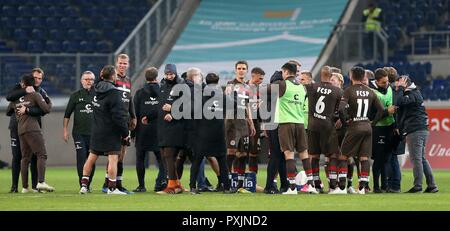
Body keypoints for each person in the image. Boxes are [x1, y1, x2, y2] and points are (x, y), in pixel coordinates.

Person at [79, 65, 130, 195]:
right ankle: (112, 188)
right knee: (113, 159)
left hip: (96, 130)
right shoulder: (115, 93)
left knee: (90, 158)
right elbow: (119, 117)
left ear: (102, 75)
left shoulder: (95, 89)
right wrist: (125, 133)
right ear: (113, 76)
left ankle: (84, 186)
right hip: (110, 132)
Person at [336, 66, 384, 194]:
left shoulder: (348, 90)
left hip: (354, 126)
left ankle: (341, 184)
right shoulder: (370, 91)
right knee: (364, 158)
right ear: (363, 77)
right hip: (367, 127)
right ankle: (363, 185)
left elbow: (341, 109)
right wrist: (373, 122)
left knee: (343, 156)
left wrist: (345, 120)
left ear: (351, 76)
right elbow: (381, 110)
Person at [271, 62, 316, 194]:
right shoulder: (302, 87)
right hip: (300, 123)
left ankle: (291, 188)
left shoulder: (282, 84)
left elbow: (263, 90)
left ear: (285, 72)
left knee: (289, 155)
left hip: (286, 124)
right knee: (304, 154)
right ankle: (311, 184)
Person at [8, 74, 53, 193]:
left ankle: (24, 187)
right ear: (32, 84)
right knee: (42, 154)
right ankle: (41, 182)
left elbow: (8, 112)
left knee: (25, 158)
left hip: (20, 130)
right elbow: (46, 109)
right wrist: (48, 101)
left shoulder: (16, 98)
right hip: (33, 129)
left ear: (23, 84)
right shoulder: (35, 95)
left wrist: (19, 108)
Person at [395, 75, 438, 193]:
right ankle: (432, 185)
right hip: (420, 129)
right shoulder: (415, 93)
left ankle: (418, 186)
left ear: (405, 83)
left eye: (398, 84)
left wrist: (400, 89)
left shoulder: (412, 93)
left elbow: (398, 101)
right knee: (422, 159)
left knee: (416, 159)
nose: (396, 87)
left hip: (415, 130)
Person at [304, 66, 343, 194]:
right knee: (332, 155)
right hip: (328, 126)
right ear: (331, 75)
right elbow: (339, 110)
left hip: (313, 125)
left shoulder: (311, 87)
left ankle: (316, 186)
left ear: (320, 75)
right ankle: (332, 186)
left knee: (314, 156)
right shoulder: (337, 91)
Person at [102, 54, 136, 194]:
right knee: (113, 154)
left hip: (125, 120)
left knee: (122, 154)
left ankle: (118, 184)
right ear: (116, 64)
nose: (122, 65)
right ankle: (108, 184)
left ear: (128, 64)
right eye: (120, 63)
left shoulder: (128, 80)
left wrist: (133, 116)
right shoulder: (112, 80)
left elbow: (130, 99)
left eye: (125, 63)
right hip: (115, 121)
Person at [132, 67, 167, 192]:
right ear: (157, 77)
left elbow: (134, 114)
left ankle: (141, 186)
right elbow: (164, 109)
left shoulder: (140, 93)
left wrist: (132, 133)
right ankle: (162, 182)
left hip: (142, 131)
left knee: (140, 159)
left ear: (146, 78)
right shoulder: (162, 91)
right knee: (162, 159)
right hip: (159, 131)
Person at [224, 60, 256, 193]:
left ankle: (240, 185)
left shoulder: (248, 87)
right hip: (232, 121)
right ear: (235, 70)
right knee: (231, 151)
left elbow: (247, 105)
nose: (241, 70)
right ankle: (227, 182)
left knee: (243, 153)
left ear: (247, 71)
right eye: (239, 68)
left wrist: (251, 122)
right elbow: (226, 98)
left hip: (243, 122)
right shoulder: (231, 84)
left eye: (243, 68)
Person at [63, 71, 96, 191]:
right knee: (81, 158)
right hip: (79, 133)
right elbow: (67, 114)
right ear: (81, 81)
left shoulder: (98, 95)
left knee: (91, 159)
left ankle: (88, 184)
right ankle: (82, 184)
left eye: (91, 79)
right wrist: (65, 130)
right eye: (86, 79)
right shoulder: (75, 95)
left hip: (95, 134)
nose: (89, 81)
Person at [156, 64, 186, 194]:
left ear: (175, 73)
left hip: (176, 127)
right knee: (165, 156)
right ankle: (177, 184)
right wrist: (149, 117)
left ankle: (172, 186)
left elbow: (188, 107)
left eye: (171, 74)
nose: (169, 76)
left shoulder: (182, 87)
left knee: (169, 155)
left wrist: (173, 112)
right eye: (167, 74)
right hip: (163, 128)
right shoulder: (162, 87)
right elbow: (160, 107)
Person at [368, 68, 396, 193]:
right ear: (377, 81)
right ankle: (376, 186)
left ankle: (384, 185)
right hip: (378, 128)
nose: (387, 84)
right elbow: (372, 116)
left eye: (387, 81)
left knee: (386, 158)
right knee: (378, 158)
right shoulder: (372, 92)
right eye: (384, 82)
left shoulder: (389, 88)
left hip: (389, 127)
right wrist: (386, 112)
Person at [263, 70, 289, 194]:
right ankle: (270, 186)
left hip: (274, 124)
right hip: (276, 124)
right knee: (277, 155)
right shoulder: (278, 88)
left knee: (280, 156)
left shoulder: (273, 90)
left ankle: (284, 185)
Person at [384, 66, 403, 193]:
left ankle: (394, 185)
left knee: (391, 157)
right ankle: (392, 184)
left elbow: (394, 110)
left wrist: (396, 126)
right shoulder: (399, 89)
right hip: (397, 127)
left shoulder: (392, 90)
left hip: (393, 127)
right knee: (392, 157)